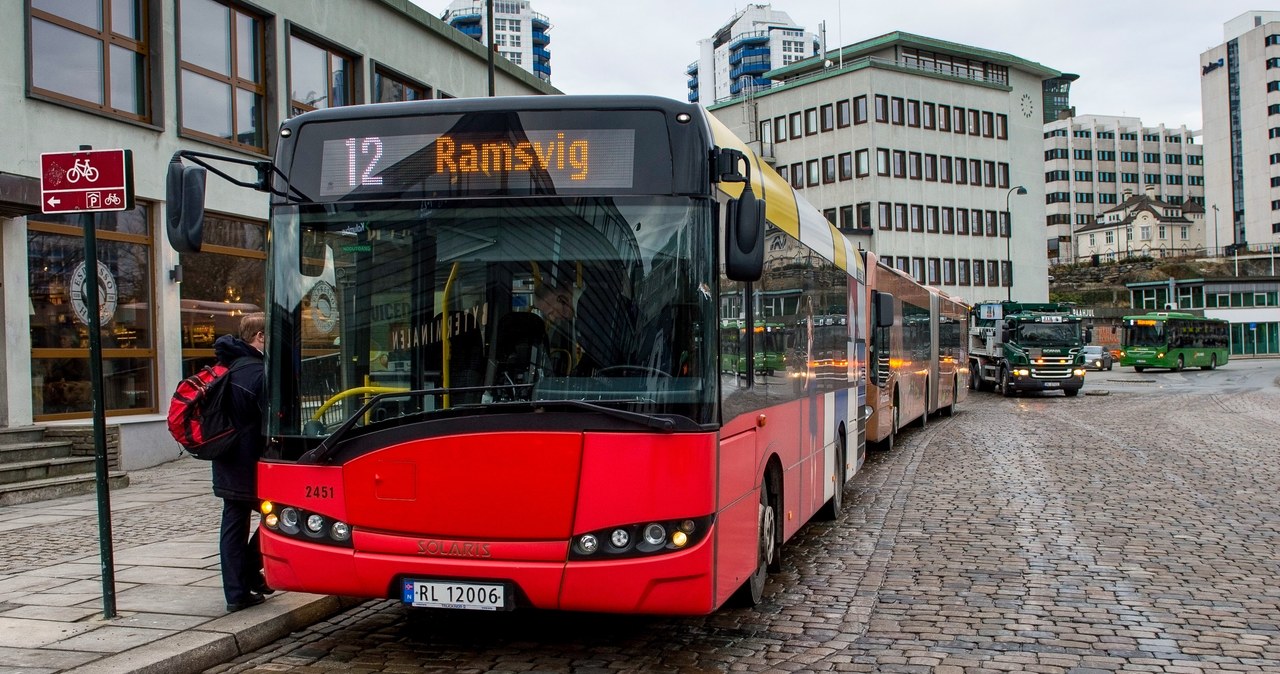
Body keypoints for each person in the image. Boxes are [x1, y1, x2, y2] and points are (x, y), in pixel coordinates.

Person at [211, 312, 272, 612]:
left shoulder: (230, 365)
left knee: (234, 524)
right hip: (249, 462)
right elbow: (268, 421)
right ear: (260, 337)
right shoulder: (256, 372)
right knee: (284, 516)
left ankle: (239, 587)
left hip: (227, 459)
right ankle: (243, 580)